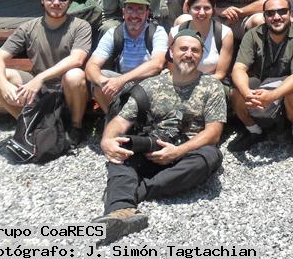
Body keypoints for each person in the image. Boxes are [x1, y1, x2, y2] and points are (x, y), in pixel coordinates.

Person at [92, 29, 225, 244]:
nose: (188, 54)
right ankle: (120, 212)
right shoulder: (151, 85)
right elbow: (120, 121)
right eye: (183, 49)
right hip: (152, 149)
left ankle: (136, 191)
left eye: (195, 50)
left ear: (201, 55)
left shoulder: (212, 87)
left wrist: (178, 151)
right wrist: (107, 141)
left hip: (187, 152)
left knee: (210, 157)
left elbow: (214, 131)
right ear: (171, 52)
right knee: (120, 150)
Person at [0, 0, 92, 146]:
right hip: (39, 90)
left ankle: (75, 127)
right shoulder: (27, 28)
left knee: (75, 75)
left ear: (70, 2)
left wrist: (40, 78)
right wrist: (2, 84)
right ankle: (29, 124)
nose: (56, 2)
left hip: (68, 90)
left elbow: (77, 59)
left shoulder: (80, 26)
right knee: (0, 78)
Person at [228, 0, 293, 154]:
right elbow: (238, 68)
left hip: (287, 89)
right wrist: (247, 94)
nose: (276, 17)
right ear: (264, 16)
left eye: (282, 12)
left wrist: (272, 96)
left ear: (290, 13)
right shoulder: (252, 35)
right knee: (235, 93)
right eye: (270, 13)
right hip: (262, 84)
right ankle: (254, 131)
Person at [85, 0, 168, 114]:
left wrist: (121, 80)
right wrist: (103, 81)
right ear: (123, 12)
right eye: (130, 9)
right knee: (98, 78)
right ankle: (112, 117)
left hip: (149, 83)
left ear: (147, 13)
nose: (134, 15)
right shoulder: (113, 33)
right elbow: (91, 66)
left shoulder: (157, 32)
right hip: (122, 85)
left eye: (140, 10)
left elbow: (157, 64)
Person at [171, 0, 235, 81]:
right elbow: (172, 70)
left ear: (213, 9)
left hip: (211, 83)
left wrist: (197, 84)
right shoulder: (175, 32)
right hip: (181, 82)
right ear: (188, 8)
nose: (202, 13)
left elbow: (220, 74)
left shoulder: (225, 34)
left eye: (206, 8)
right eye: (197, 8)